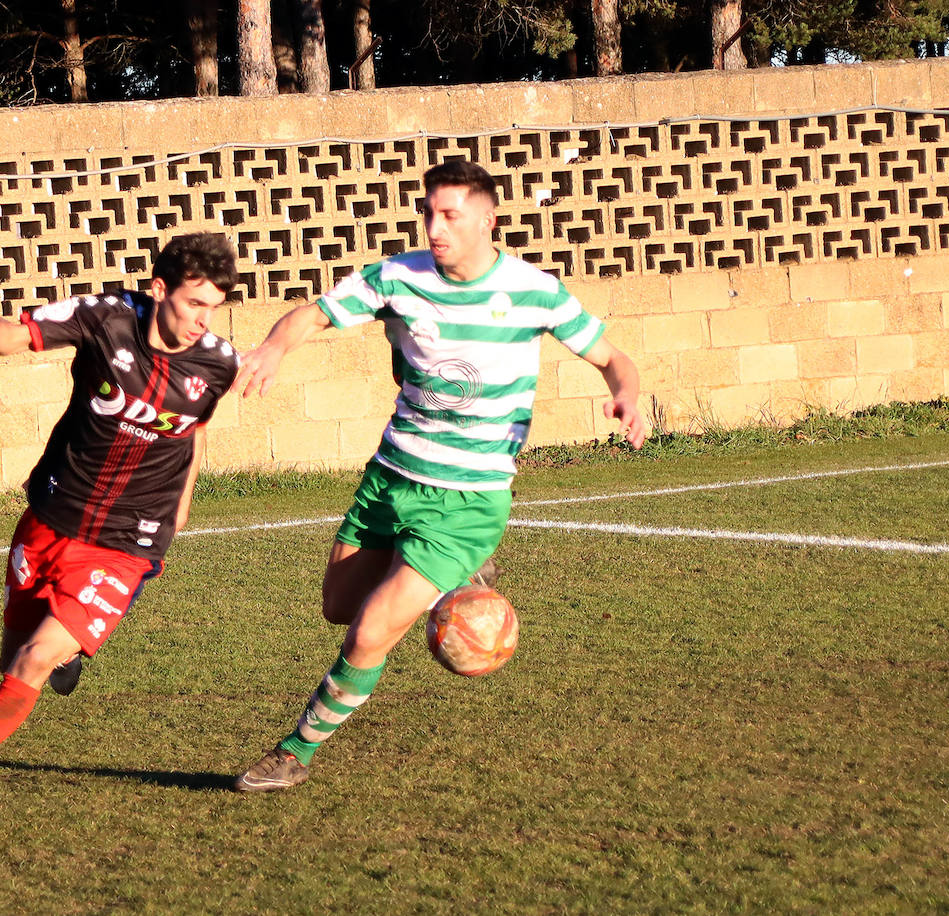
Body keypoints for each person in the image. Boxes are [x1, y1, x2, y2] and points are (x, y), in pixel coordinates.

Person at [230, 159, 646, 792]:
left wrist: (628, 396)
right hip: (391, 477)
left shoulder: (534, 291)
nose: (434, 226)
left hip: (467, 500)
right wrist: (273, 347)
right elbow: (312, 313)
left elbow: (614, 358)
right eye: (428, 212)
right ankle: (452, 577)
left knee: (371, 631)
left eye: (450, 214)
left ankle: (294, 753)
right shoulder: (398, 277)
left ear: (488, 218)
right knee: (338, 607)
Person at [0, 232, 241, 832]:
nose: (202, 322)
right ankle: (63, 655)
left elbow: (195, 429)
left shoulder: (218, 363)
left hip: (129, 541)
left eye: (214, 307)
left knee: (32, 660)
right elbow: (14, 337)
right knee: (13, 658)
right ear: (159, 291)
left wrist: (182, 503)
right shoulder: (103, 318)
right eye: (193, 304)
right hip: (52, 519)